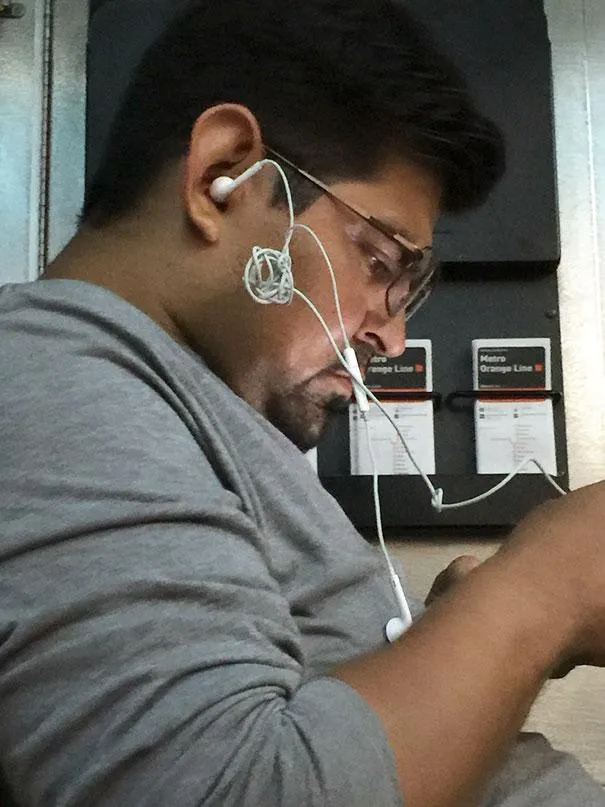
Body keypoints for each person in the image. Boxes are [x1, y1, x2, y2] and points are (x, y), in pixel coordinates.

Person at [0, 1, 604, 805]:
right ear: (221, 176)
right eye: (379, 259)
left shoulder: (184, 415)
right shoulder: (48, 373)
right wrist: (538, 595)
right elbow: (230, 787)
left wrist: (454, 647)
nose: (392, 336)